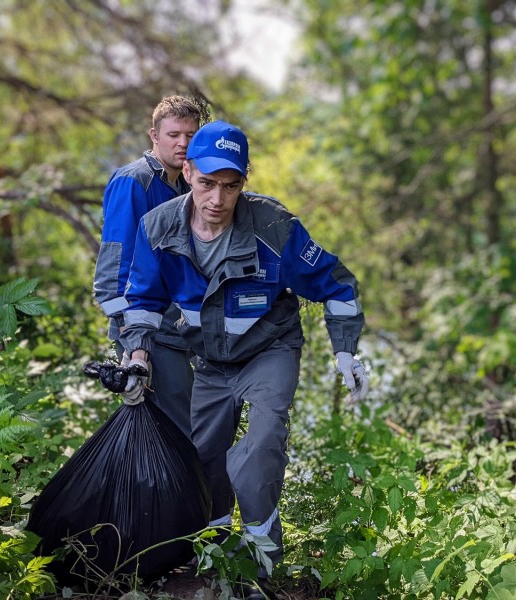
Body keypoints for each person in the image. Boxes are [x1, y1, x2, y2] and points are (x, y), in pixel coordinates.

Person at [118, 120, 370, 598]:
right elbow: (143, 303)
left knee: (256, 453)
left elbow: (337, 285)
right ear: (188, 171)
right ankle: (215, 555)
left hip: (269, 350)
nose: (217, 199)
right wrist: (136, 359)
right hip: (210, 363)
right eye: (208, 183)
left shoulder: (275, 227)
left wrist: (346, 352)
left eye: (231, 187)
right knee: (205, 459)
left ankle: (261, 565)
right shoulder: (159, 229)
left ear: (244, 182)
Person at [93, 95, 203, 439]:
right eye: (173, 134)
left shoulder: (188, 186)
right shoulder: (133, 182)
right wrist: (132, 347)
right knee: (177, 434)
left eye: (190, 135)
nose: (183, 143)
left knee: (181, 432)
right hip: (148, 335)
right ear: (153, 135)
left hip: (180, 330)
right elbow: (112, 274)